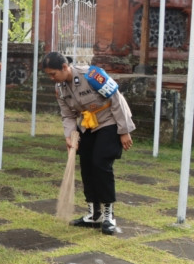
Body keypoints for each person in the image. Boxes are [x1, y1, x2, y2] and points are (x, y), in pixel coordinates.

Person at [41, 52, 135, 235]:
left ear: (64, 67)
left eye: (53, 74)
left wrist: (124, 131)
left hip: (109, 121)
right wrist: (69, 136)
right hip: (87, 125)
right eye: (49, 75)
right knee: (86, 165)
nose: (52, 78)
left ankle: (108, 215)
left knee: (101, 163)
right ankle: (94, 214)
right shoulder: (60, 89)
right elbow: (68, 115)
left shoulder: (92, 75)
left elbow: (116, 100)